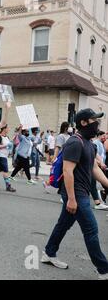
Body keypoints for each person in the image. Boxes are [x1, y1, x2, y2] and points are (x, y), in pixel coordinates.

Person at [41, 109, 108, 280]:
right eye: (94, 120)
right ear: (84, 123)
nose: (97, 124)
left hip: (81, 192)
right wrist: (71, 198)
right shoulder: (74, 142)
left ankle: (48, 253)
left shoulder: (89, 144)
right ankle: (104, 269)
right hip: (76, 194)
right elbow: (67, 171)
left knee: (63, 224)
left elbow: (93, 168)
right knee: (91, 229)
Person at [0, 125, 16, 192]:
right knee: (5, 171)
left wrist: (9, 148)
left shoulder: (7, 137)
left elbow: (8, 146)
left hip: (4, 155)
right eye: (8, 128)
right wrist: (5, 145)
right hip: (0, 156)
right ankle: (8, 186)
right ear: (4, 129)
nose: (8, 129)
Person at [90, 131, 108, 210]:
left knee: (92, 183)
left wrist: (101, 162)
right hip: (93, 166)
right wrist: (100, 163)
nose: (104, 137)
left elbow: (98, 155)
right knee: (92, 183)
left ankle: (98, 201)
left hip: (97, 166)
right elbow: (94, 156)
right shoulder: (95, 143)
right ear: (99, 135)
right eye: (103, 136)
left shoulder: (96, 143)